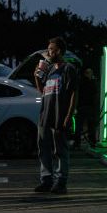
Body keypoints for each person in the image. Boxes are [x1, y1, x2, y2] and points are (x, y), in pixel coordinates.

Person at [33, 37, 77, 194]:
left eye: (51, 49)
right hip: (45, 115)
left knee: (60, 151)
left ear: (58, 51)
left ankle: (61, 182)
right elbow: (42, 90)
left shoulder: (68, 69)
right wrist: (37, 76)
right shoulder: (50, 70)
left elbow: (73, 94)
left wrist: (68, 116)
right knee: (43, 149)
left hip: (60, 115)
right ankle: (46, 180)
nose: (48, 52)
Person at [74, 68, 99, 149]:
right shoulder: (92, 83)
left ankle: (77, 143)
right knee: (91, 126)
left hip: (81, 106)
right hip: (89, 107)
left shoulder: (80, 83)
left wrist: (75, 106)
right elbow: (95, 96)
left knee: (78, 126)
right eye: (90, 73)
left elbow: (76, 94)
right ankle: (92, 142)